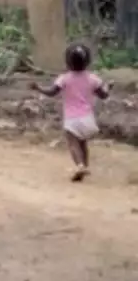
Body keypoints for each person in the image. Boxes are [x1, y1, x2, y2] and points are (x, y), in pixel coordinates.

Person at [33, 44, 112, 181]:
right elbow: (104, 95)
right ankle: (84, 167)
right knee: (83, 144)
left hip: (72, 119)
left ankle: (80, 165)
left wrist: (38, 88)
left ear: (68, 61)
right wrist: (108, 87)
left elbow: (51, 92)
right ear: (87, 61)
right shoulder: (93, 78)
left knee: (72, 144)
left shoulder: (64, 78)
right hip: (88, 118)